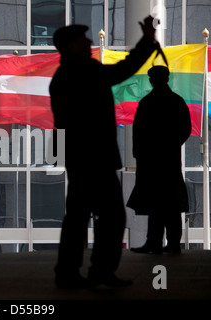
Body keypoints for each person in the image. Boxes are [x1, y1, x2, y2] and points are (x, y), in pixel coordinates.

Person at [50, 16, 158, 289]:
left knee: (77, 217)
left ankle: (70, 273)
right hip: (93, 157)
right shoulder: (83, 71)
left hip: (78, 157)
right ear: (71, 46)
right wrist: (147, 40)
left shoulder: (66, 74)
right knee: (111, 217)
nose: (88, 42)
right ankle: (99, 271)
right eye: (82, 39)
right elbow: (124, 69)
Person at [127, 66, 191, 255]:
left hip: (151, 161)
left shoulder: (147, 103)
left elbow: (138, 133)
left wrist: (140, 155)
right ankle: (172, 243)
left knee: (155, 202)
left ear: (151, 80)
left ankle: (153, 242)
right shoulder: (176, 102)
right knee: (171, 203)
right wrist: (172, 145)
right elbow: (185, 129)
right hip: (169, 160)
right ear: (167, 78)